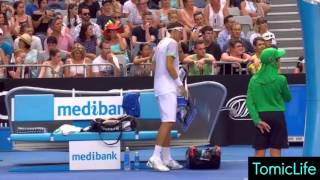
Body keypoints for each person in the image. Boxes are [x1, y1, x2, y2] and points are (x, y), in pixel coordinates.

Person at [147, 22, 187, 172]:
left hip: (161, 86)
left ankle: (166, 157)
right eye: (181, 31)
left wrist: (160, 80)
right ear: (175, 31)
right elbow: (170, 66)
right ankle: (155, 157)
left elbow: (154, 65)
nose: (182, 34)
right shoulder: (172, 43)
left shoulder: (161, 43)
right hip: (168, 87)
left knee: (168, 122)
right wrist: (179, 85)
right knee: (168, 122)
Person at [246, 47, 291, 157]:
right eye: (278, 58)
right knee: (275, 149)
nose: (280, 61)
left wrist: (257, 120)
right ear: (274, 62)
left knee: (260, 149)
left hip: (261, 117)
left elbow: (249, 102)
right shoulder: (281, 79)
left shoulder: (253, 79)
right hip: (277, 116)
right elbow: (288, 98)